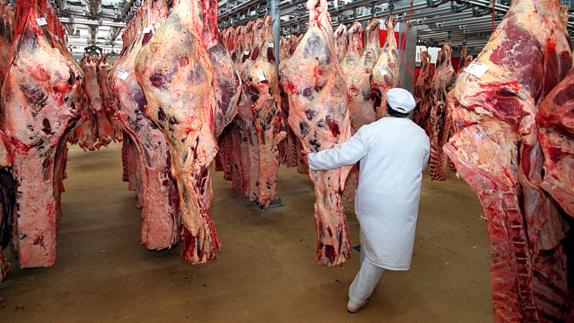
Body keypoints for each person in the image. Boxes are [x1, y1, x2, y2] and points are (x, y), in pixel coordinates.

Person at [305, 88, 430, 313]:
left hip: (373, 199)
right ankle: (358, 297)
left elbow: (343, 155)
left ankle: (357, 296)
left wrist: (314, 159)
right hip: (402, 201)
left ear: (385, 107)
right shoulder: (421, 136)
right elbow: (422, 165)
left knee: (376, 248)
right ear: (410, 113)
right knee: (377, 247)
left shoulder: (372, 131)